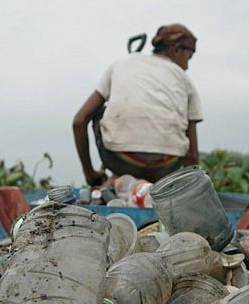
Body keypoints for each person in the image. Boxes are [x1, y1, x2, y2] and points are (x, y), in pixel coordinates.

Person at [72, 23, 203, 186]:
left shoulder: (121, 64)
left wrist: (89, 174)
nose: (187, 66)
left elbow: (79, 121)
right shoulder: (185, 81)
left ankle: (119, 178)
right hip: (166, 167)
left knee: (101, 112)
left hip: (121, 161)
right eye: (188, 58)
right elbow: (192, 156)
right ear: (176, 50)